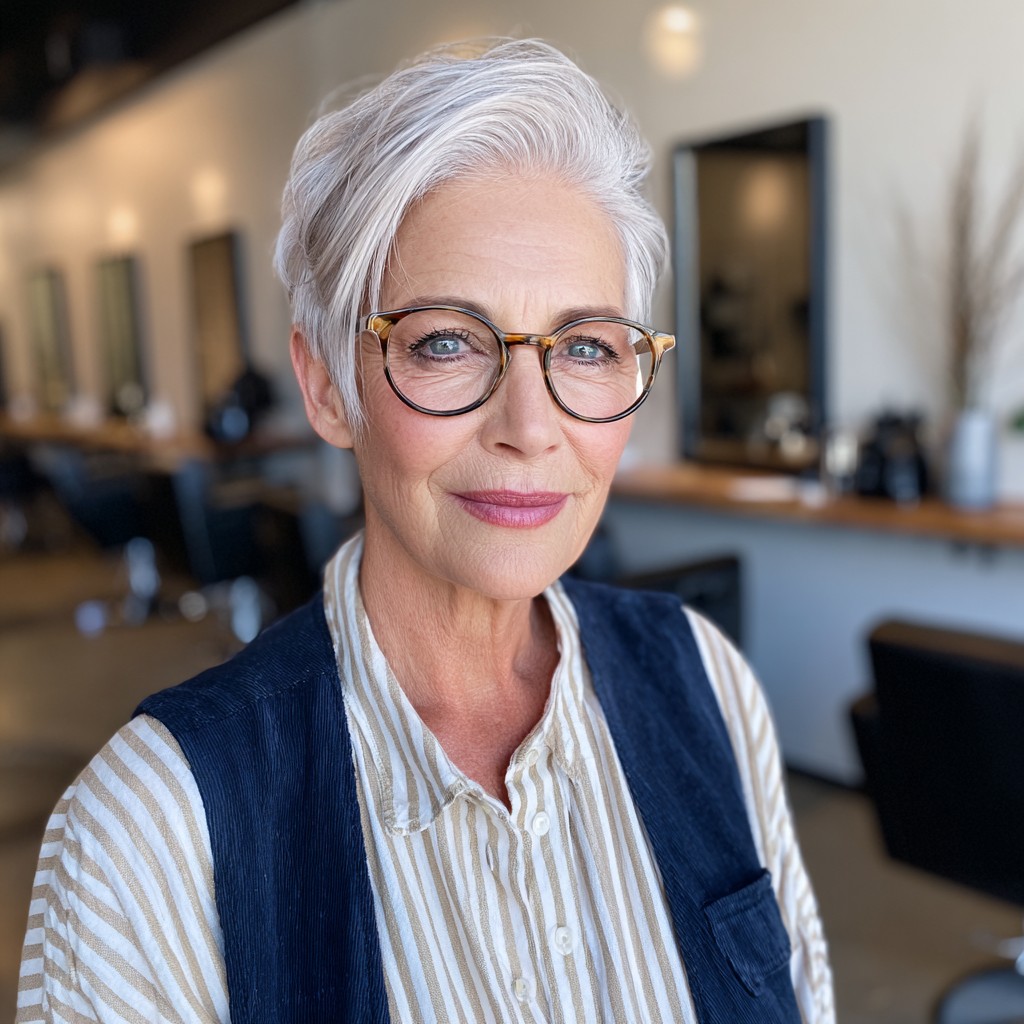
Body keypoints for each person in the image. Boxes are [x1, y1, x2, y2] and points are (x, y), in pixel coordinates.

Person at [18, 39, 834, 1024]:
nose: (530, 427)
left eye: (585, 346)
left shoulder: (706, 683)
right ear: (327, 384)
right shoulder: (149, 831)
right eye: (447, 342)